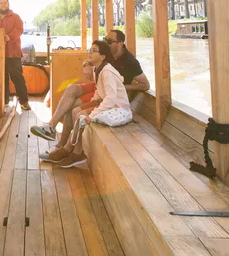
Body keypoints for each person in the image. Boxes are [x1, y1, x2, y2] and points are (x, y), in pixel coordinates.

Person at [31, 29, 148, 157]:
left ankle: (65, 147)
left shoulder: (130, 62)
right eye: (105, 39)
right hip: (99, 88)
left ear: (120, 44)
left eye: (109, 41)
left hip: (110, 95)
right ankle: (51, 128)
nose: (106, 43)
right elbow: (92, 57)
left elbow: (145, 85)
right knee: (71, 88)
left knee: (73, 107)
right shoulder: (105, 54)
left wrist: (120, 86)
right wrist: (86, 64)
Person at [52, 40, 133, 169]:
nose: (90, 53)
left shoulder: (107, 72)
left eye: (94, 51)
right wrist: (91, 104)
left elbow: (111, 98)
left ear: (102, 56)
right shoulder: (97, 69)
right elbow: (99, 92)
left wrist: (93, 113)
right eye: (90, 50)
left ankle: (72, 150)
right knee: (75, 111)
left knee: (79, 116)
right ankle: (75, 151)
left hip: (118, 109)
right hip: (107, 103)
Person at [0, 0, 31, 111]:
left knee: (17, 78)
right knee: (1, 78)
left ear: (8, 5)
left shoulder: (16, 17)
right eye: (1, 3)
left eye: (5, 3)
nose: (3, 5)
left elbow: (19, 30)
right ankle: (4, 101)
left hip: (13, 53)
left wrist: (9, 37)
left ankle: (24, 101)